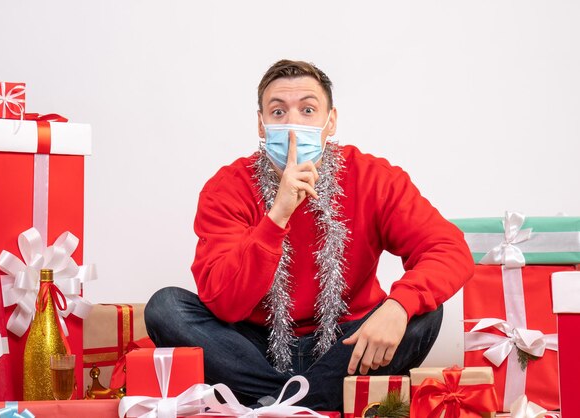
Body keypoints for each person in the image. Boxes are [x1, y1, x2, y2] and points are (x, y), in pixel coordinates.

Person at [145, 59, 474, 411]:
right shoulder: (226, 188)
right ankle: (309, 403)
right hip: (255, 348)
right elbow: (225, 301)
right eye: (278, 111)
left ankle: (274, 404)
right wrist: (278, 214)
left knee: (425, 310)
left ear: (330, 121)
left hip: (346, 346)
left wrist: (399, 306)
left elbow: (449, 249)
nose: (292, 125)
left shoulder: (372, 177)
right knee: (166, 307)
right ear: (261, 124)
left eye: (307, 110)